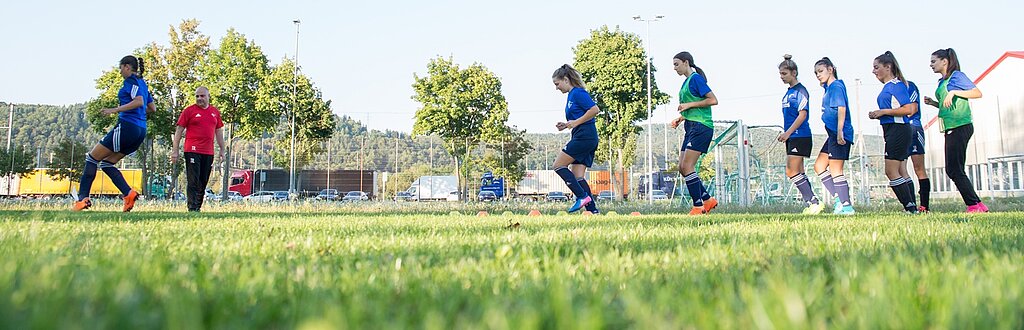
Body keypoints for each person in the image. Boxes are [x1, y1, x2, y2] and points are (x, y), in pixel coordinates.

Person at [72, 55, 155, 212]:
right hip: (140, 131)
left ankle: (82, 199)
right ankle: (128, 194)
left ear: (127, 67)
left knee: (92, 158)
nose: (120, 72)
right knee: (106, 163)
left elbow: (138, 101)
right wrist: (138, 114)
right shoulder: (143, 84)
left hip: (127, 127)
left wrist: (114, 110)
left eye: (120, 68)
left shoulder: (130, 81)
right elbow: (152, 108)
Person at [923, 48, 988, 213]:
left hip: (960, 125)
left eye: (933, 61)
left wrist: (953, 92)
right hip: (950, 127)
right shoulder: (941, 81)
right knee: (955, 168)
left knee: (953, 169)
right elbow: (948, 105)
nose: (930, 65)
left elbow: (977, 93)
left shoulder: (956, 76)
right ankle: (978, 205)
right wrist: (933, 103)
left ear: (944, 61)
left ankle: (974, 205)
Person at [867, 51, 919, 213]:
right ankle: (912, 207)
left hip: (899, 130)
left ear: (888, 67)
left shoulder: (897, 85)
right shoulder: (889, 87)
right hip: (894, 130)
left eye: (877, 67)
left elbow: (909, 109)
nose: (874, 71)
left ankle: (910, 208)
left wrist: (883, 112)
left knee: (890, 171)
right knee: (901, 170)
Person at [669, 51, 719, 215]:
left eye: (676, 64)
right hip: (691, 126)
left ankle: (698, 206)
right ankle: (707, 199)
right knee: (682, 168)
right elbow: (693, 107)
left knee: (687, 166)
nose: (674, 68)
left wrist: (689, 106)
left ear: (686, 62)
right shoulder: (686, 82)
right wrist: (681, 118)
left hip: (701, 127)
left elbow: (713, 100)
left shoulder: (696, 78)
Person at [776, 54, 824, 214]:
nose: (782, 77)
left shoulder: (801, 91)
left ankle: (813, 202)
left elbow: (802, 115)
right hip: (792, 136)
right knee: (799, 172)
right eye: (780, 74)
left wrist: (788, 133)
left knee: (791, 171)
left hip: (799, 135)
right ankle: (812, 204)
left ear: (794, 73)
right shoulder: (787, 93)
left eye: (784, 73)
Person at [551, 64, 600, 214]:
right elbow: (578, 117)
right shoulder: (571, 96)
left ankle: (581, 196)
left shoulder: (578, 93)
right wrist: (566, 125)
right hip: (584, 135)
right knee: (578, 175)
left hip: (585, 136)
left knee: (558, 165)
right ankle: (592, 211)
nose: (556, 88)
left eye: (557, 84)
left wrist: (575, 123)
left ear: (566, 79)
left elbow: (594, 110)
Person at [812, 57, 855, 215]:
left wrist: (840, 131)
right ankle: (838, 198)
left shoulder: (836, 86)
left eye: (821, 71)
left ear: (831, 69)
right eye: (816, 72)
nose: (818, 75)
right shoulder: (828, 87)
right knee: (819, 166)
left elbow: (841, 108)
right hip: (831, 133)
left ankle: (846, 206)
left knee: (836, 169)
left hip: (839, 132)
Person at [172, 86, 225, 212]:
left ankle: (198, 206)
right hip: (192, 150)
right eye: (197, 96)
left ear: (208, 97)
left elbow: (218, 132)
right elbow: (179, 131)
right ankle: (192, 207)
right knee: (193, 179)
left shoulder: (214, 112)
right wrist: (175, 150)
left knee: (203, 180)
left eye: (202, 96)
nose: (199, 98)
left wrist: (222, 150)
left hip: (208, 151)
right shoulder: (189, 111)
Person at [905, 81, 930, 212]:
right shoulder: (890, 88)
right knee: (900, 169)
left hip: (913, 129)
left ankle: (924, 206)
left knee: (919, 168)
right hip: (899, 131)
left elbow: (913, 109)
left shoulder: (909, 86)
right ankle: (910, 205)